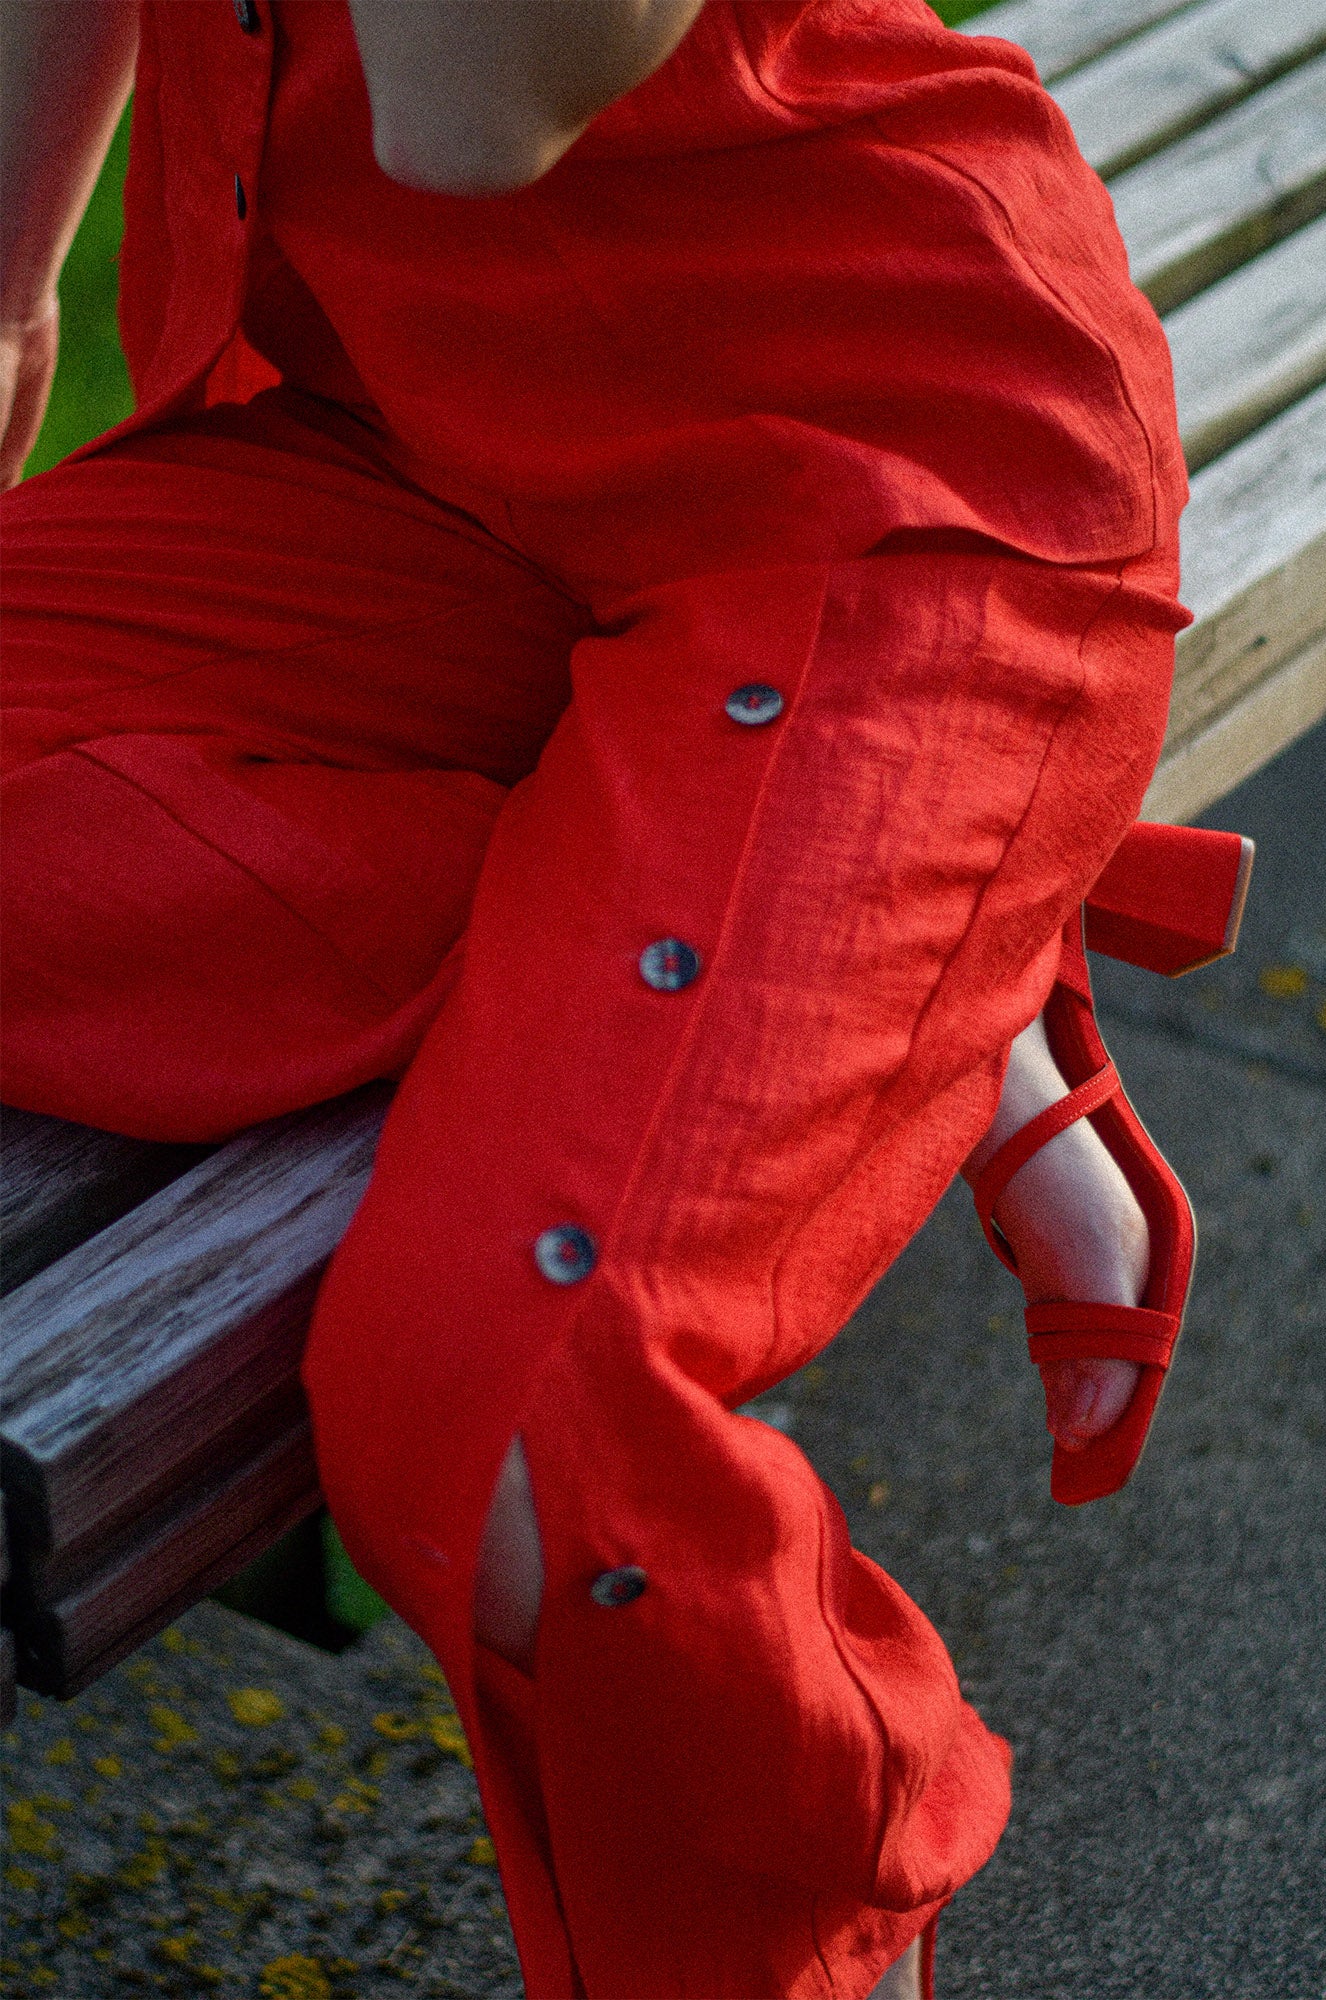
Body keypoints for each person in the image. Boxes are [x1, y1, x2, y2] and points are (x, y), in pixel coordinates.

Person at [0, 3, 1249, 1993]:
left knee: (515, 1410)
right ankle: (919, 945)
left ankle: (826, 1929)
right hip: (407, 448)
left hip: (880, 484)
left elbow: (474, 115)